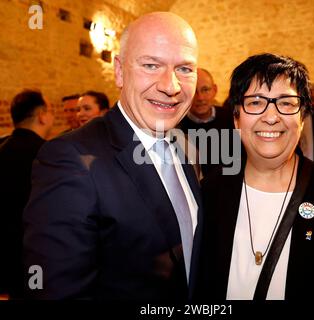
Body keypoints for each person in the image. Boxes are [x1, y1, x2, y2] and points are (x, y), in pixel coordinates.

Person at [23, 12, 202, 301]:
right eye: (151, 65)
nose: (171, 86)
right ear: (119, 71)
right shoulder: (70, 159)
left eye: (184, 69)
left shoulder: (185, 146)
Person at [197, 53, 314, 300]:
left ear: (303, 118)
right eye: (256, 102)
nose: (271, 117)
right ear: (236, 118)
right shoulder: (209, 193)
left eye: (287, 103)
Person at [0, 89, 54, 299]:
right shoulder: (51, 155)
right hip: (39, 258)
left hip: (6, 257)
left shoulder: (2, 150)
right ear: (42, 115)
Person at [179, 68, 234, 178]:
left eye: (205, 90)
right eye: (194, 91)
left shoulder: (233, 119)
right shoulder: (177, 127)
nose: (200, 97)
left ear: (214, 90)